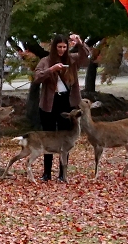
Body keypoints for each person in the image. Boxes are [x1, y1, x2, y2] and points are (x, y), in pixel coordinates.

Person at [31, 33, 89, 181]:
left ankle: (63, 174)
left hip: (67, 102)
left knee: (65, 137)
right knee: (48, 135)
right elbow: (37, 78)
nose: (62, 50)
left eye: (64, 47)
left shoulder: (72, 59)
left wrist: (80, 43)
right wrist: (51, 69)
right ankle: (47, 173)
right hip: (49, 103)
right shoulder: (46, 61)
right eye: (59, 47)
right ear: (54, 47)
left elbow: (85, 58)